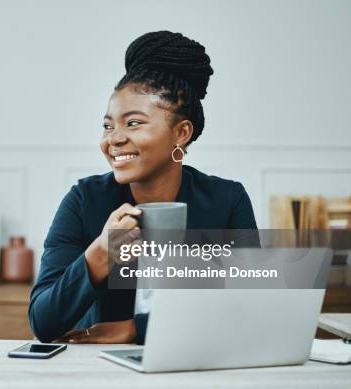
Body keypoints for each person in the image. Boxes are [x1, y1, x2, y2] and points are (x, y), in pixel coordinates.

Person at [28, 31, 257, 345]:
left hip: (197, 363)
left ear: (181, 132)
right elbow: (43, 322)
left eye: (133, 123)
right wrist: (100, 253)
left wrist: (135, 328)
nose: (114, 139)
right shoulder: (83, 200)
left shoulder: (227, 200)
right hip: (100, 372)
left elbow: (246, 308)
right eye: (108, 125)